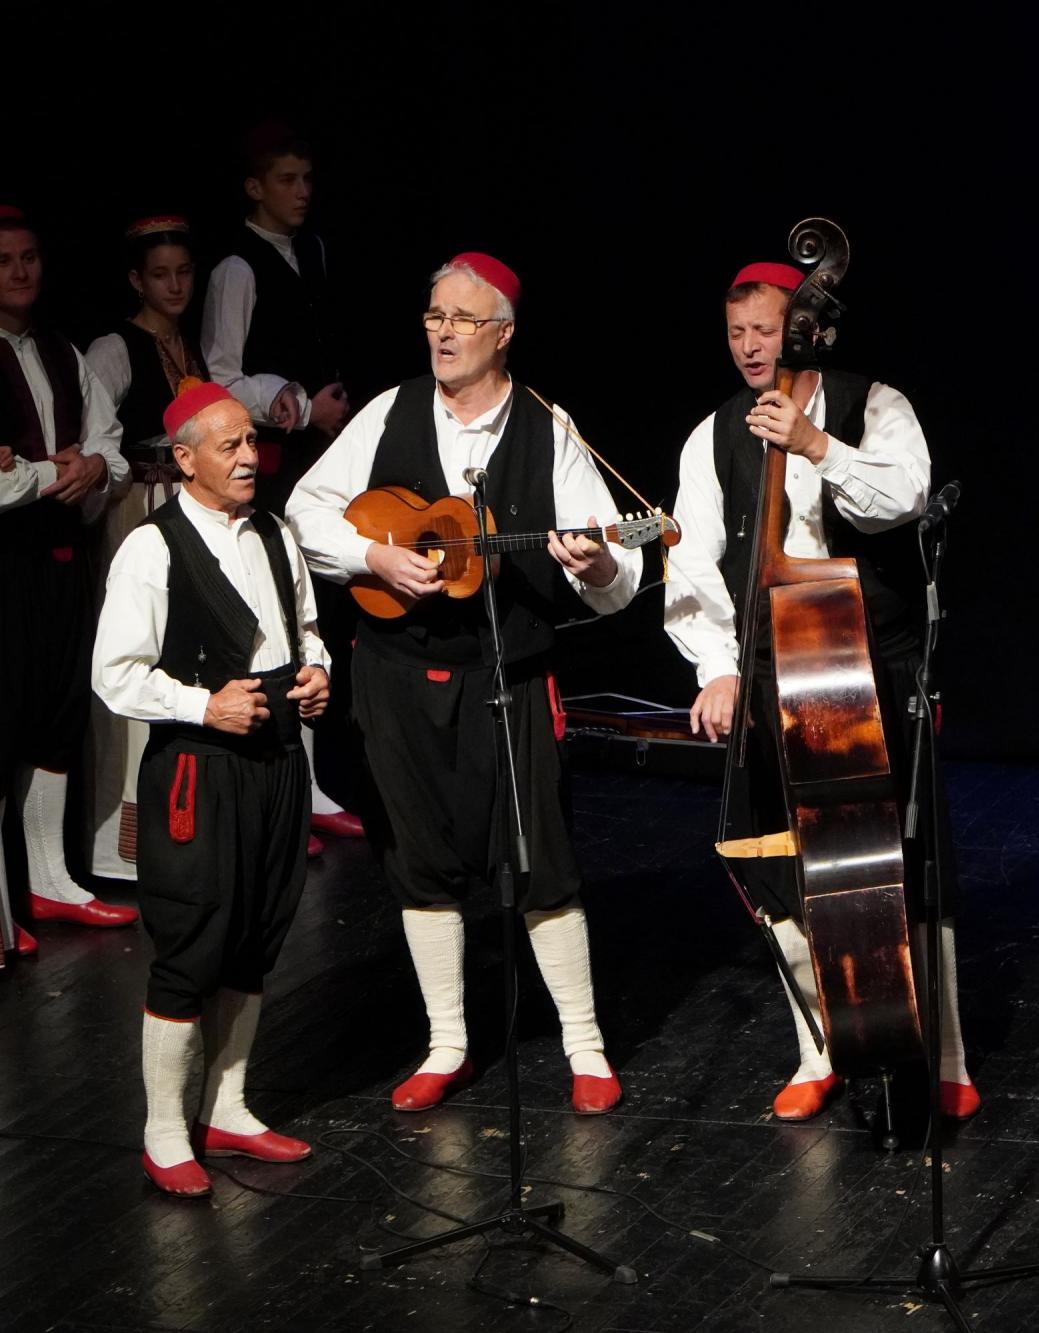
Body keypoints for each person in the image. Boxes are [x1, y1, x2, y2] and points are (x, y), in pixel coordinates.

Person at [289, 252, 636, 1114]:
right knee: (417, 861)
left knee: (539, 859)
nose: (443, 333)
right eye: (435, 316)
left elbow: (619, 571)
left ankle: (585, 1044)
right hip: (396, 677)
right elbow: (304, 509)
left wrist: (595, 563)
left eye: (463, 320)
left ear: (504, 334)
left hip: (505, 675)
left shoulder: (548, 429)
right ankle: (447, 1042)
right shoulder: (390, 410)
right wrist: (372, 555)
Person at [663, 260, 981, 1121]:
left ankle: (946, 1052)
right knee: (781, 866)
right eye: (736, 334)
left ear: (805, 329)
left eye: (765, 330)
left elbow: (904, 497)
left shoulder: (873, 402)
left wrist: (815, 444)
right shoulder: (713, 433)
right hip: (774, 665)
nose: (750, 348)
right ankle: (822, 1045)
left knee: (907, 864)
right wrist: (718, 664)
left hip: (870, 660)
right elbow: (691, 561)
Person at [93, 382, 330, 1196]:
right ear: (186, 459)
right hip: (198, 767)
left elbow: (305, 626)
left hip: (277, 758)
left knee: (258, 933)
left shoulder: (275, 533)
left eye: (251, 441)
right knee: (194, 939)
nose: (249, 457)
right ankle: (164, 1130)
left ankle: (227, 1108)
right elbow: (114, 673)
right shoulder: (152, 548)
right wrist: (204, 705)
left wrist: (316, 673)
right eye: (229, 446)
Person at [199, 121, 359, 844]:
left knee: (316, 613)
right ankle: (283, 786)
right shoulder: (237, 267)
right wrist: (291, 401)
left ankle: (317, 784)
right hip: (271, 463)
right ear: (254, 187)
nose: (302, 192)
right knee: (281, 608)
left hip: (321, 458)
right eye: (287, 180)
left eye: (307, 179)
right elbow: (221, 373)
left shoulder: (313, 251)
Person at [1, 204, 134, 960]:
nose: (20, 272)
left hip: (58, 558)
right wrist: (48, 473)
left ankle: (51, 881)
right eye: (4, 261)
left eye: (29, 257)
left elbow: (110, 444)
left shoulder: (60, 349)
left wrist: (92, 468)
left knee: (56, 714)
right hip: (4, 564)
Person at [84, 216, 210, 880]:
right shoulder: (115, 348)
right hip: (137, 508)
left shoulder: (188, 343)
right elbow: (98, 436)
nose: (175, 285)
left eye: (183, 271)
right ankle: (120, 843)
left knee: (183, 658)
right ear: (137, 280)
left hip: (184, 506)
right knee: (134, 654)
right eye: (160, 274)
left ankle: (180, 824)